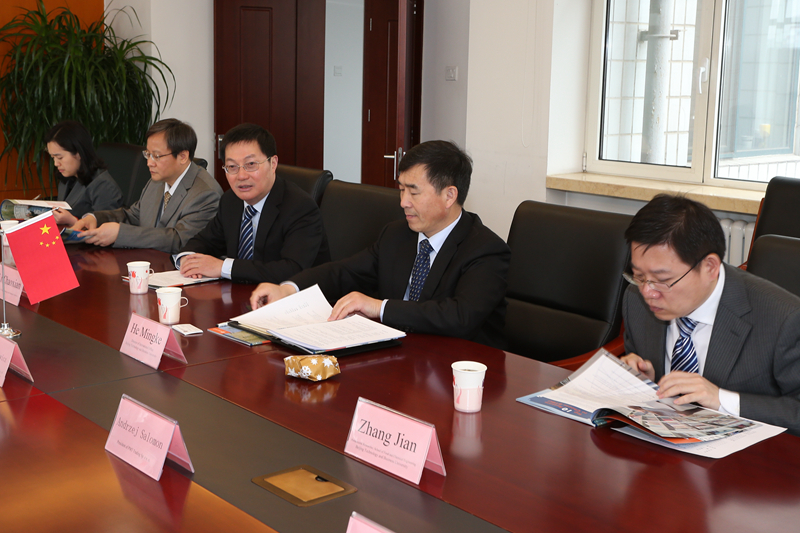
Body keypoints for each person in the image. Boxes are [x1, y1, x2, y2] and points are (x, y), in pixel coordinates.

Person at [249, 140, 510, 349]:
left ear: (449, 195)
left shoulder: (485, 250)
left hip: (457, 369)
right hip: (399, 354)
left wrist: (379, 307)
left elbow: (460, 316)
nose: (403, 202)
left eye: (414, 192)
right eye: (401, 189)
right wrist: (289, 289)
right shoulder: (397, 234)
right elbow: (344, 271)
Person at [620, 194, 800, 434]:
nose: (648, 292)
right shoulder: (635, 300)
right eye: (639, 276)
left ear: (710, 267)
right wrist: (645, 380)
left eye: (662, 279)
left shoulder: (784, 319)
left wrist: (721, 399)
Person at [176, 123, 330, 283]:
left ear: (273, 164)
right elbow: (205, 241)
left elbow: (292, 270)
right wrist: (187, 259)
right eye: (232, 166)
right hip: (240, 293)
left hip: (293, 296)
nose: (241, 176)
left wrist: (223, 267)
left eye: (251, 165)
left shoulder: (300, 208)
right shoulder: (231, 201)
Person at [71, 118, 223, 254]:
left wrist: (121, 234)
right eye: (148, 154)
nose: (149, 162)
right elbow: (134, 216)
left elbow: (179, 240)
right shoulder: (157, 181)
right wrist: (95, 218)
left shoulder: (206, 194)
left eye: (156, 156)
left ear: (183, 156)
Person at [44, 120, 123, 225]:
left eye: (60, 157)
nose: (56, 163)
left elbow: (107, 230)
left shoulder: (103, 186)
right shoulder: (67, 177)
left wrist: (73, 222)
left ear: (79, 153)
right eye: (52, 157)